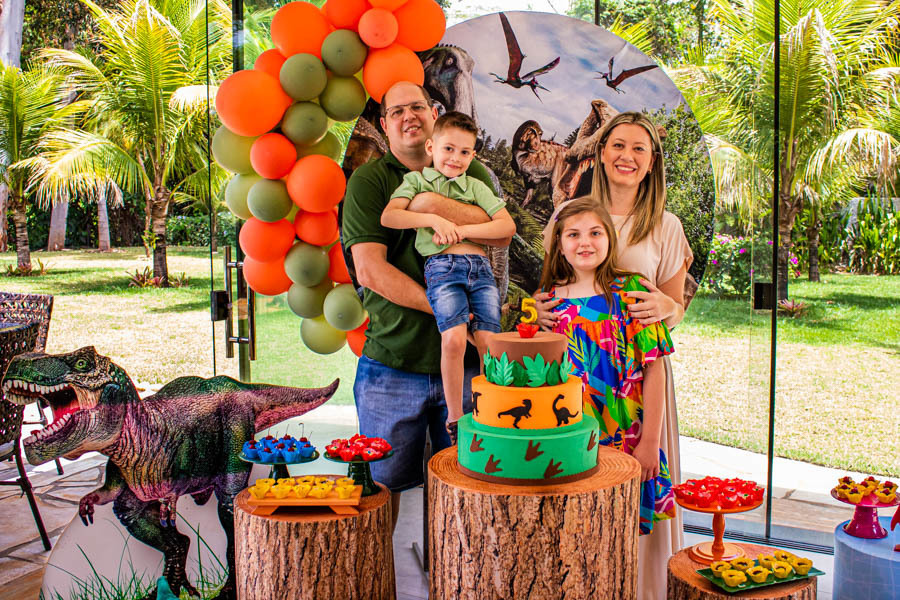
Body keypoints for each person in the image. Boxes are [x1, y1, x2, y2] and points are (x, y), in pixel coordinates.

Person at [341, 81, 511, 528]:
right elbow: (371, 272)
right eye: (396, 111)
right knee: (377, 498)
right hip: (393, 364)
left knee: (471, 499)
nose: (408, 116)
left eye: (417, 106)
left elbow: (501, 230)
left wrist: (434, 204)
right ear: (384, 124)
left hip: (471, 366)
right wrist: (447, 313)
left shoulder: (475, 176)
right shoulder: (371, 181)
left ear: (435, 114)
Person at [537, 112, 693, 599]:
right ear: (601, 153)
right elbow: (551, 291)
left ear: (652, 162)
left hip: (635, 380)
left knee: (634, 488)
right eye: (618, 145)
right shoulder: (570, 214)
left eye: (639, 149)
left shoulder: (665, 225)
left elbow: (673, 307)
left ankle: (641, 588)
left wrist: (668, 306)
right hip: (579, 387)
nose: (627, 156)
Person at [540, 195, 676, 586]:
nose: (585, 242)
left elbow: (654, 371)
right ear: (560, 244)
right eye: (574, 234)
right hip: (569, 440)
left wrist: (650, 442)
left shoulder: (631, 292)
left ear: (609, 238)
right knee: (571, 537)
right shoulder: (549, 300)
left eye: (595, 232)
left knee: (618, 540)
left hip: (627, 439)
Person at [381, 111, 516, 438]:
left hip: (481, 270)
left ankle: (491, 412)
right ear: (431, 146)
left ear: (473, 155)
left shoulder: (475, 186)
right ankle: (455, 417)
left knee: (490, 345)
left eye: (465, 152)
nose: (456, 158)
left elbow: (507, 227)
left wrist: (462, 229)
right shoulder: (416, 182)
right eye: (449, 149)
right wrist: (433, 221)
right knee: (454, 339)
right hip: (443, 269)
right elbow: (390, 217)